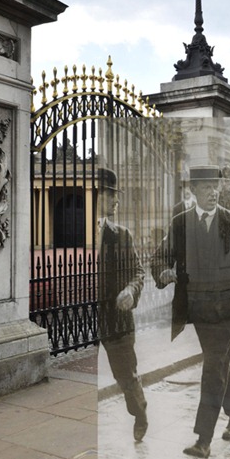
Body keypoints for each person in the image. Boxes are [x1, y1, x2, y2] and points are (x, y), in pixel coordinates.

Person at [151, 165, 230, 459]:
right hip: (199, 313)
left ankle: (203, 439)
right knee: (219, 365)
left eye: (216, 187)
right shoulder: (180, 223)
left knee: (212, 369)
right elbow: (161, 256)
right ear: (193, 191)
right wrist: (163, 271)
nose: (213, 192)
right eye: (206, 188)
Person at [97, 167, 148, 442]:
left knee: (126, 375)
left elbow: (138, 272)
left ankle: (140, 413)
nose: (116, 201)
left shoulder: (122, 234)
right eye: (111, 195)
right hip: (81, 320)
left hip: (117, 317)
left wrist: (130, 290)